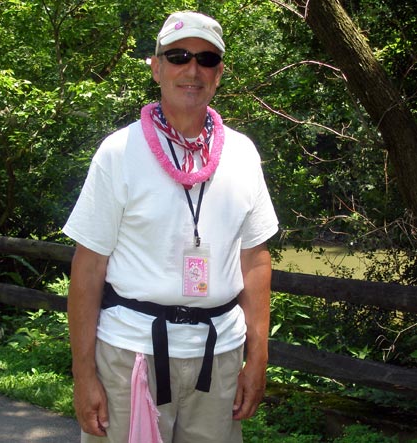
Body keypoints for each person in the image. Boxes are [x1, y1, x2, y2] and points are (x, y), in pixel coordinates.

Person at [63, 10, 278, 443]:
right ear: (156, 66)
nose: (192, 69)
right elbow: (88, 269)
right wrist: (83, 374)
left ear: (219, 73)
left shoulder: (242, 153)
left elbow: (255, 258)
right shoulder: (118, 151)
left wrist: (258, 360)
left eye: (206, 58)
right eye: (178, 56)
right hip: (130, 354)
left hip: (219, 358)